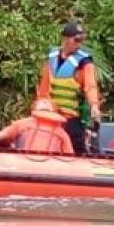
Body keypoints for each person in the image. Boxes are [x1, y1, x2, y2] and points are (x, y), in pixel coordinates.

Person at [36, 22, 103, 155]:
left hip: (69, 117)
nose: (79, 44)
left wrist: (94, 106)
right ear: (66, 39)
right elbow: (44, 86)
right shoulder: (51, 57)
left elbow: (90, 87)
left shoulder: (84, 62)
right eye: (76, 40)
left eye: (81, 41)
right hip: (48, 115)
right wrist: (39, 106)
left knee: (77, 146)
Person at [0, 99, 73, 153]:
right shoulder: (61, 132)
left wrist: (9, 147)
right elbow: (69, 155)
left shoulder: (21, 124)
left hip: (22, 164)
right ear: (54, 112)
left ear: (33, 110)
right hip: (50, 168)